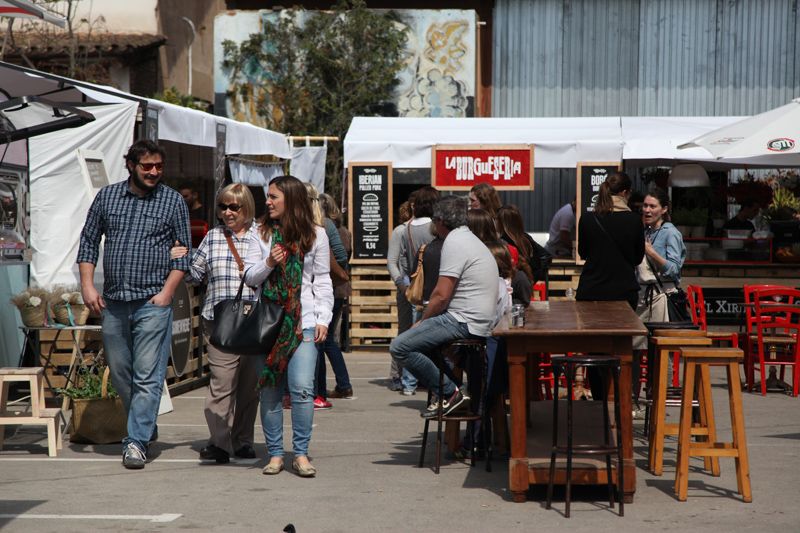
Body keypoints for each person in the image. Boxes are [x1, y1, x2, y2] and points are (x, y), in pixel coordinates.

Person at [77, 140, 191, 470]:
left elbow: (184, 252)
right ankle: (145, 424)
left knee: (147, 375)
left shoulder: (172, 201)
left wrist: (168, 292)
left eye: (159, 166)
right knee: (121, 373)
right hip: (113, 301)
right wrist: (87, 285)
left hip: (153, 302)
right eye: (147, 166)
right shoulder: (108, 197)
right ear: (130, 165)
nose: (154, 172)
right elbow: (87, 242)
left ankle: (136, 441)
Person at [243, 175, 333, 477]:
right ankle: (276, 454)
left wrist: (323, 318)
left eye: (273, 197)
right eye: (267, 197)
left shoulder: (316, 235)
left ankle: (301, 453)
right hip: (269, 324)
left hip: (303, 322)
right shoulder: (260, 233)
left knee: (303, 389)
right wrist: (269, 262)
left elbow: (321, 279)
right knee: (269, 390)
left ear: (291, 200)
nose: (267, 202)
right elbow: (249, 276)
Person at [171, 184, 261, 464]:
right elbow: (195, 275)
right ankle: (220, 443)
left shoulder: (264, 236)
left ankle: (243, 441)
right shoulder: (213, 237)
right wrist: (178, 260)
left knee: (249, 388)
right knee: (221, 385)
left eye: (235, 207)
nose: (228, 212)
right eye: (223, 206)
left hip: (256, 323)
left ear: (247, 207)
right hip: (220, 323)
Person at [390, 195, 499, 418]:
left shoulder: (453, 242)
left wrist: (422, 322)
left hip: (464, 320)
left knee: (400, 346)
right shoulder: (468, 239)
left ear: (439, 221)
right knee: (424, 344)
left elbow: (440, 295)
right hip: (477, 318)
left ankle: (451, 393)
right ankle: (456, 389)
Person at [306, 183, 347, 410]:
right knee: (325, 343)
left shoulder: (323, 228)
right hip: (315, 296)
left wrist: (326, 266)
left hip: (327, 294)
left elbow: (341, 257)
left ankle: (321, 391)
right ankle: (325, 390)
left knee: (324, 343)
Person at [576, 173, 644, 310]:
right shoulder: (634, 220)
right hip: (623, 292)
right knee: (623, 331)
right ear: (625, 193)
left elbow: (582, 253)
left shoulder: (587, 219)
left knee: (590, 331)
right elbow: (638, 258)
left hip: (591, 290)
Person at [396, 186, 440, 395]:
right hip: (438, 284)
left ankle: (408, 383)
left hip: (417, 285)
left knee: (413, 335)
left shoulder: (408, 227)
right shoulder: (436, 227)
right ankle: (436, 381)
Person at [634, 188, 687, 348]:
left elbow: (674, 269)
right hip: (643, 296)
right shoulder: (645, 231)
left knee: (661, 350)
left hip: (661, 296)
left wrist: (652, 253)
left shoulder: (670, 233)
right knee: (635, 344)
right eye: (645, 206)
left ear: (663, 209)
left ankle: (663, 375)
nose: (647, 210)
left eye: (652, 206)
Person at [317, 192, 354, 400]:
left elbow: (340, 257)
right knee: (328, 339)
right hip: (337, 288)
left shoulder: (328, 229)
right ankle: (341, 384)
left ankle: (341, 384)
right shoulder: (342, 230)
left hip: (333, 287)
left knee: (326, 340)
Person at [387, 199, 414, 392]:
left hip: (425, 288)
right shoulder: (400, 230)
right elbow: (392, 262)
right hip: (406, 286)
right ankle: (396, 374)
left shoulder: (432, 228)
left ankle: (414, 375)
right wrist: (402, 284)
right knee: (404, 331)